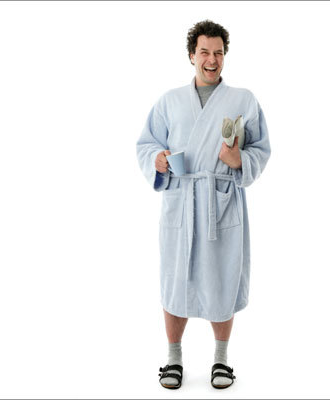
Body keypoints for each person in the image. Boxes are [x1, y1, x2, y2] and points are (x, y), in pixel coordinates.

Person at [136, 19, 271, 390]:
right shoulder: (169, 101)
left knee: (222, 279)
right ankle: (173, 357)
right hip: (181, 201)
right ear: (191, 56)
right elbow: (147, 143)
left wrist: (239, 160)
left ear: (225, 56)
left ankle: (221, 358)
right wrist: (157, 160)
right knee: (175, 279)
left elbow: (261, 148)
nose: (212, 60)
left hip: (221, 202)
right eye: (205, 52)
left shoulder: (244, 99)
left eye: (219, 53)